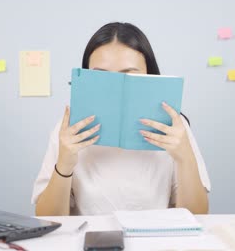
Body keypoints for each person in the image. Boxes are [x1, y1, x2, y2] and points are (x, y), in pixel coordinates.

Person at [32, 22, 210, 216]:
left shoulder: (175, 129)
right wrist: (64, 162)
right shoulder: (68, 130)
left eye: (130, 75)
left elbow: (198, 216)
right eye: (101, 76)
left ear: (150, 76)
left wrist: (185, 158)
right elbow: (47, 218)